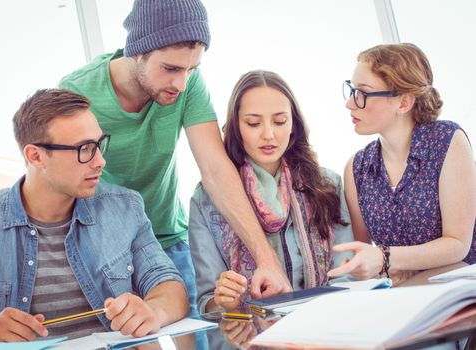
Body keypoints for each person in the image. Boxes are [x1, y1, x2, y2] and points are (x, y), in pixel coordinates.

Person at [58, 0, 291, 316]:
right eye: (170, 68)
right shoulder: (76, 92)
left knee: (197, 337)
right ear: (137, 52)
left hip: (169, 239)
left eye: (191, 69)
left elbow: (216, 170)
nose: (181, 83)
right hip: (103, 250)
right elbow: (62, 186)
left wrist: (267, 260)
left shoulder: (188, 84)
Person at [0, 89, 188, 348]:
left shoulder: (125, 207)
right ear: (36, 156)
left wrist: (153, 311)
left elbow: (170, 287)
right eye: (84, 149)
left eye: (99, 144)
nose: (100, 161)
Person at [189, 70, 354, 314]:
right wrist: (226, 302)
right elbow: (207, 302)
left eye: (279, 121)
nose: (268, 134)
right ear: (236, 127)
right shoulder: (206, 199)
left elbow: (346, 277)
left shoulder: (328, 185)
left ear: (293, 126)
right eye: (253, 123)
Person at [328, 43, 476, 284]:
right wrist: (363, 267)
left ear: (404, 102)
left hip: (460, 294)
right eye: (352, 90)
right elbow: (364, 256)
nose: (350, 103)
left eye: (363, 93)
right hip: (400, 296)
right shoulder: (356, 167)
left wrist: (387, 258)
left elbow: (458, 245)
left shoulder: (447, 141)